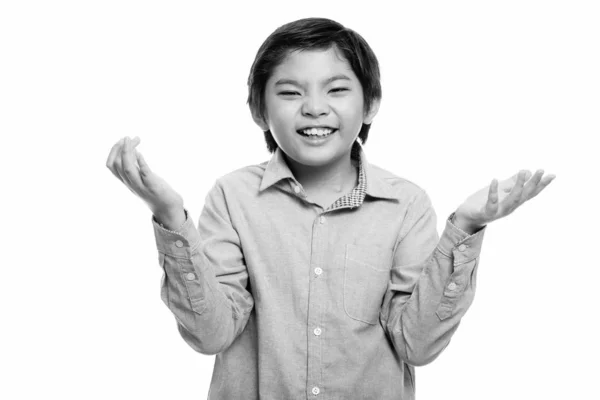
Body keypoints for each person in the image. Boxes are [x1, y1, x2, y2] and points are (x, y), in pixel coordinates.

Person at [106, 17, 555, 400]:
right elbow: (211, 335)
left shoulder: (406, 204)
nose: (314, 108)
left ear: (370, 103)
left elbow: (416, 345)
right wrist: (168, 215)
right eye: (290, 92)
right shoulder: (232, 196)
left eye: (336, 89)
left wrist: (466, 225)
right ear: (259, 110)